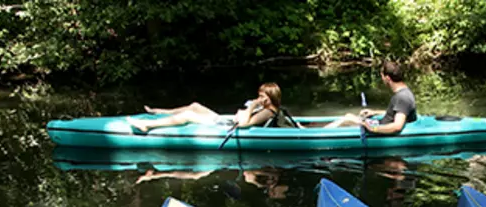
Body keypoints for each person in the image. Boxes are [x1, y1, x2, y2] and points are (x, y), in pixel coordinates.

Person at [128, 83, 297, 133]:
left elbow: (244, 124)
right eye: (259, 95)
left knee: (188, 115)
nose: (260, 98)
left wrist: (252, 106)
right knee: (195, 106)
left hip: (223, 127)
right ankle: (161, 112)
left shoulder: (268, 111)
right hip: (225, 121)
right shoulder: (269, 108)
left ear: (272, 97)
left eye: (263, 96)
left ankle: (147, 125)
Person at [325, 61, 417, 135]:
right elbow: (398, 112)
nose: (382, 79)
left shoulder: (402, 97)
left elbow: (397, 126)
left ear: (388, 78)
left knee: (346, 120)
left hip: (380, 128)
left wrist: (373, 128)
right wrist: (374, 112)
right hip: (380, 123)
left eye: (382, 76)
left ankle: (322, 135)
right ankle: (324, 132)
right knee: (348, 116)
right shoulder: (403, 93)